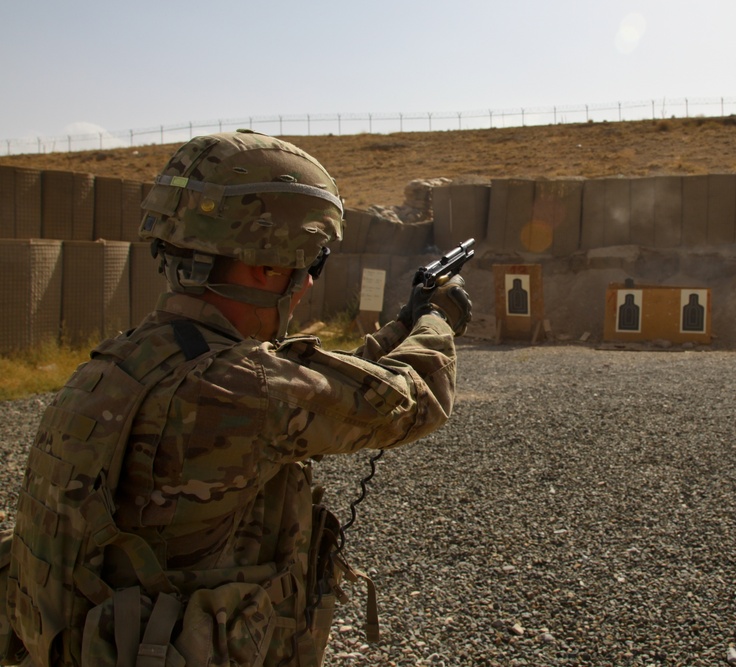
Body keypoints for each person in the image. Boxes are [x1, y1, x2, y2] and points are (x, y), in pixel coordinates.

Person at [3, 130, 472, 667]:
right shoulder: (242, 388)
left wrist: (401, 326)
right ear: (268, 267)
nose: (308, 283)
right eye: (311, 264)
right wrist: (439, 321)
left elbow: (322, 385)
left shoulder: (127, 362)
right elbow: (404, 404)